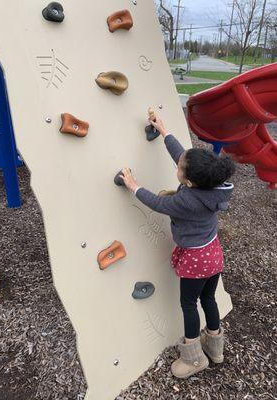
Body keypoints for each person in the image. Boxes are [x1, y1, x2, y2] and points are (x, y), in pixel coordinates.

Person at [120, 116, 235, 379]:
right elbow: (184, 157)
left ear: (189, 182)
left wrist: (133, 185)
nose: (179, 164)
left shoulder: (186, 202)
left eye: (180, 168)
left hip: (196, 260)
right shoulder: (211, 185)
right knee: (208, 298)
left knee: (188, 304)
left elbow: (158, 204)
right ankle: (215, 349)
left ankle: (194, 358)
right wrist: (165, 132)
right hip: (213, 254)